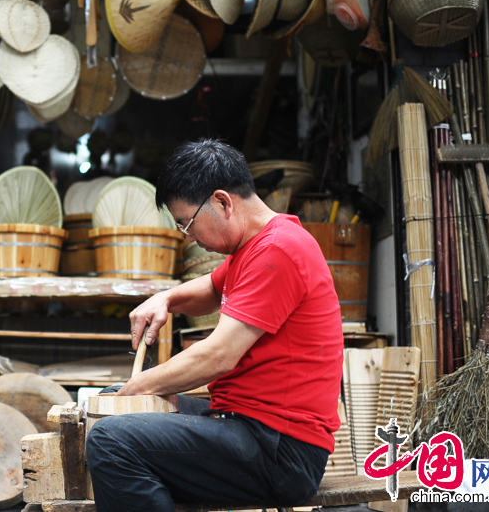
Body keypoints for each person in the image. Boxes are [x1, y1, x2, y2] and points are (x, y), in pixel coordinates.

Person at [85, 139, 343, 512]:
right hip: (246, 425)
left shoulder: (278, 250)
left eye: (187, 224)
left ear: (222, 202)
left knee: (112, 439)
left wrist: (140, 385)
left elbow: (218, 355)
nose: (189, 238)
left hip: (281, 449)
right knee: (118, 398)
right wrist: (165, 299)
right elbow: (210, 288)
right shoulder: (253, 247)